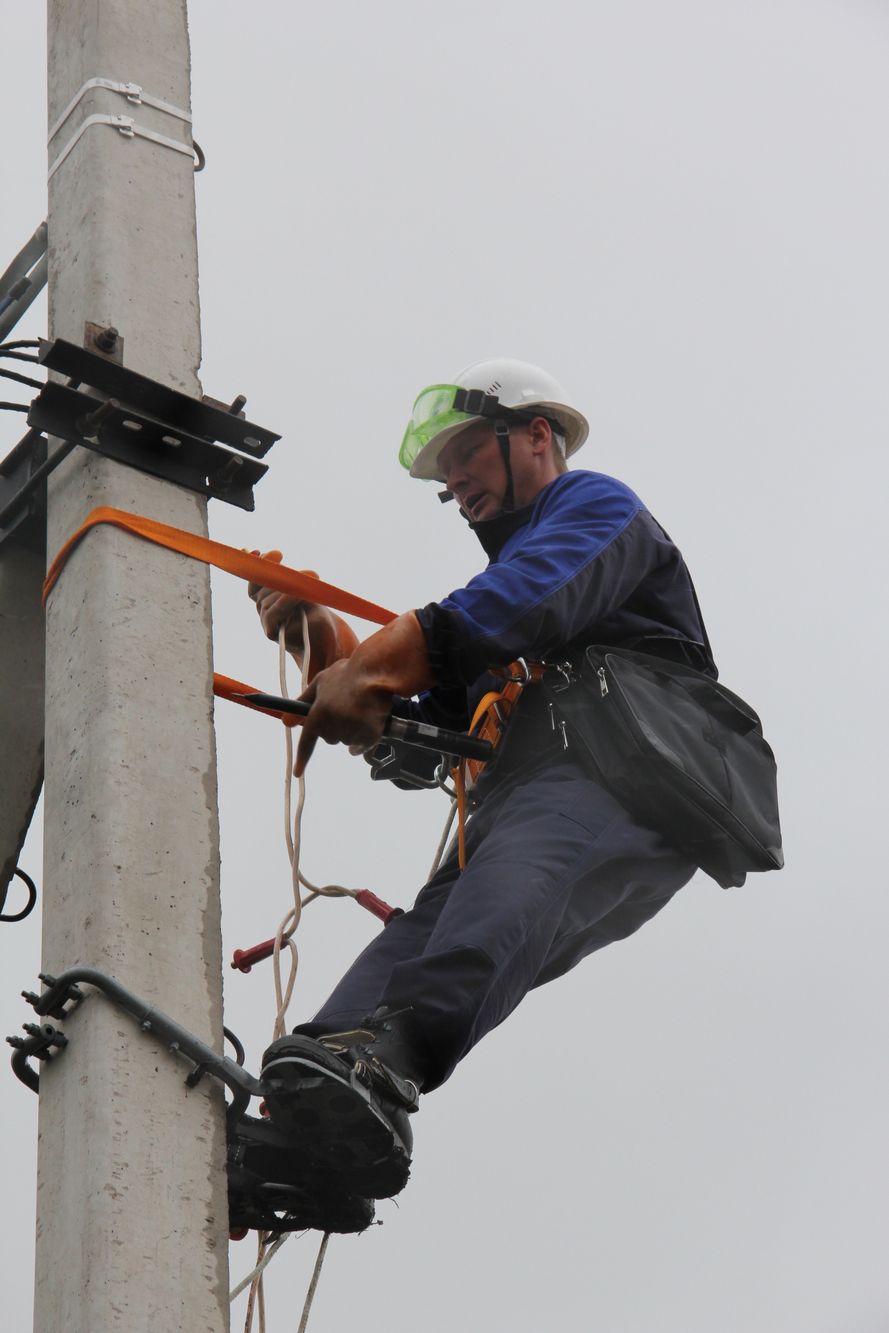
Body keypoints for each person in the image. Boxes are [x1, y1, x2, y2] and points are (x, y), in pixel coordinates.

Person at [249, 358, 711, 1212]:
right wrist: (325, 643)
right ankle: (311, 1115)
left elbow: (510, 604)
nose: (456, 480)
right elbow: (420, 724)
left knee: (499, 893)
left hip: (624, 778)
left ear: (537, 436)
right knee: (432, 924)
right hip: (545, 787)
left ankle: (385, 1065)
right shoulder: (499, 621)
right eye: (445, 474)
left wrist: (377, 669)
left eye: (468, 453)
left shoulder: (596, 510)